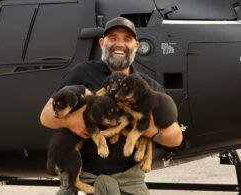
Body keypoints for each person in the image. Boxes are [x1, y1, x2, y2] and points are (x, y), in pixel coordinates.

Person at [40, 17, 183, 195]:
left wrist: (148, 129)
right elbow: (45, 116)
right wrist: (70, 122)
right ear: (102, 43)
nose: (120, 44)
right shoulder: (81, 72)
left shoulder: (147, 86)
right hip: (80, 182)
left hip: (128, 185)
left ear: (136, 46)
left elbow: (176, 137)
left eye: (127, 39)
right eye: (113, 38)